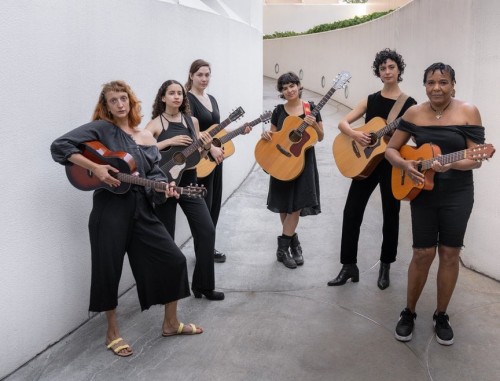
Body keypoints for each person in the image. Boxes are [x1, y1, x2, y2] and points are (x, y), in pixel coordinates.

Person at [50, 80, 202, 358]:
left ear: (132, 102)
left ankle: (170, 323)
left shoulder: (144, 136)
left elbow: (155, 172)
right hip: (110, 210)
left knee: (174, 259)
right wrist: (96, 167)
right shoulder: (101, 129)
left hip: (142, 208)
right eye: (113, 101)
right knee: (109, 269)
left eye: (124, 99)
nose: (120, 104)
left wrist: (164, 187)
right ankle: (112, 332)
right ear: (105, 106)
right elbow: (60, 146)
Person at [386, 63, 486, 345]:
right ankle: (409, 312)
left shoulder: (468, 111)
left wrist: (450, 165)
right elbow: (391, 150)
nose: (436, 88)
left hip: (458, 193)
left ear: (453, 85)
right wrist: (406, 164)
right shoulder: (414, 113)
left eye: (443, 82)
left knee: (450, 253)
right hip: (423, 193)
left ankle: (441, 315)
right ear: (424, 86)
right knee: (422, 253)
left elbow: (475, 158)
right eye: (430, 82)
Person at [327, 49, 416, 289]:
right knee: (351, 212)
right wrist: (357, 134)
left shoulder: (409, 106)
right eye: (383, 68)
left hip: (390, 163)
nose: (387, 72)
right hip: (365, 162)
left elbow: (409, 137)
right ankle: (348, 265)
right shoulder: (371, 99)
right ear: (378, 72)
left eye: (391, 67)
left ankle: (385, 264)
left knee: (391, 214)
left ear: (399, 70)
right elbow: (342, 122)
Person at [145, 79, 224, 301]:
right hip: (164, 185)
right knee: (166, 238)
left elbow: (198, 151)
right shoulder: (156, 124)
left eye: (180, 93)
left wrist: (207, 145)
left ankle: (203, 286)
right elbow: (140, 148)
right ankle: (167, 289)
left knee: (206, 230)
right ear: (163, 97)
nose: (177, 97)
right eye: (172, 93)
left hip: (189, 182)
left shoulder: (192, 121)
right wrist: (164, 143)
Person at [261, 71, 324, 269]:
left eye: (292, 86)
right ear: (281, 91)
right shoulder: (278, 111)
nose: (289, 90)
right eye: (285, 88)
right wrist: (266, 135)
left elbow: (320, 137)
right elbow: (273, 135)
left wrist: (314, 126)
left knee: (296, 206)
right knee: (283, 205)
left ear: (298, 86)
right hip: (281, 160)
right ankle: (293, 244)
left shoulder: (311, 109)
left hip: (303, 163)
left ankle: (282, 249)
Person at [185, 59, 226, 263]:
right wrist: (211, 147)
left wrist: (236, 134)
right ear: (191, 75)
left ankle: (208, 247)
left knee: (215, 205)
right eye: (200, 74)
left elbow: (215, 131)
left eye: (207, 75)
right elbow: (192, 132)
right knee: (204, 206)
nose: (204, 78)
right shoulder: (187, 100)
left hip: (215, 160)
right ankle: (202, 250)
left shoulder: (212, 99)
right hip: (200, 160)